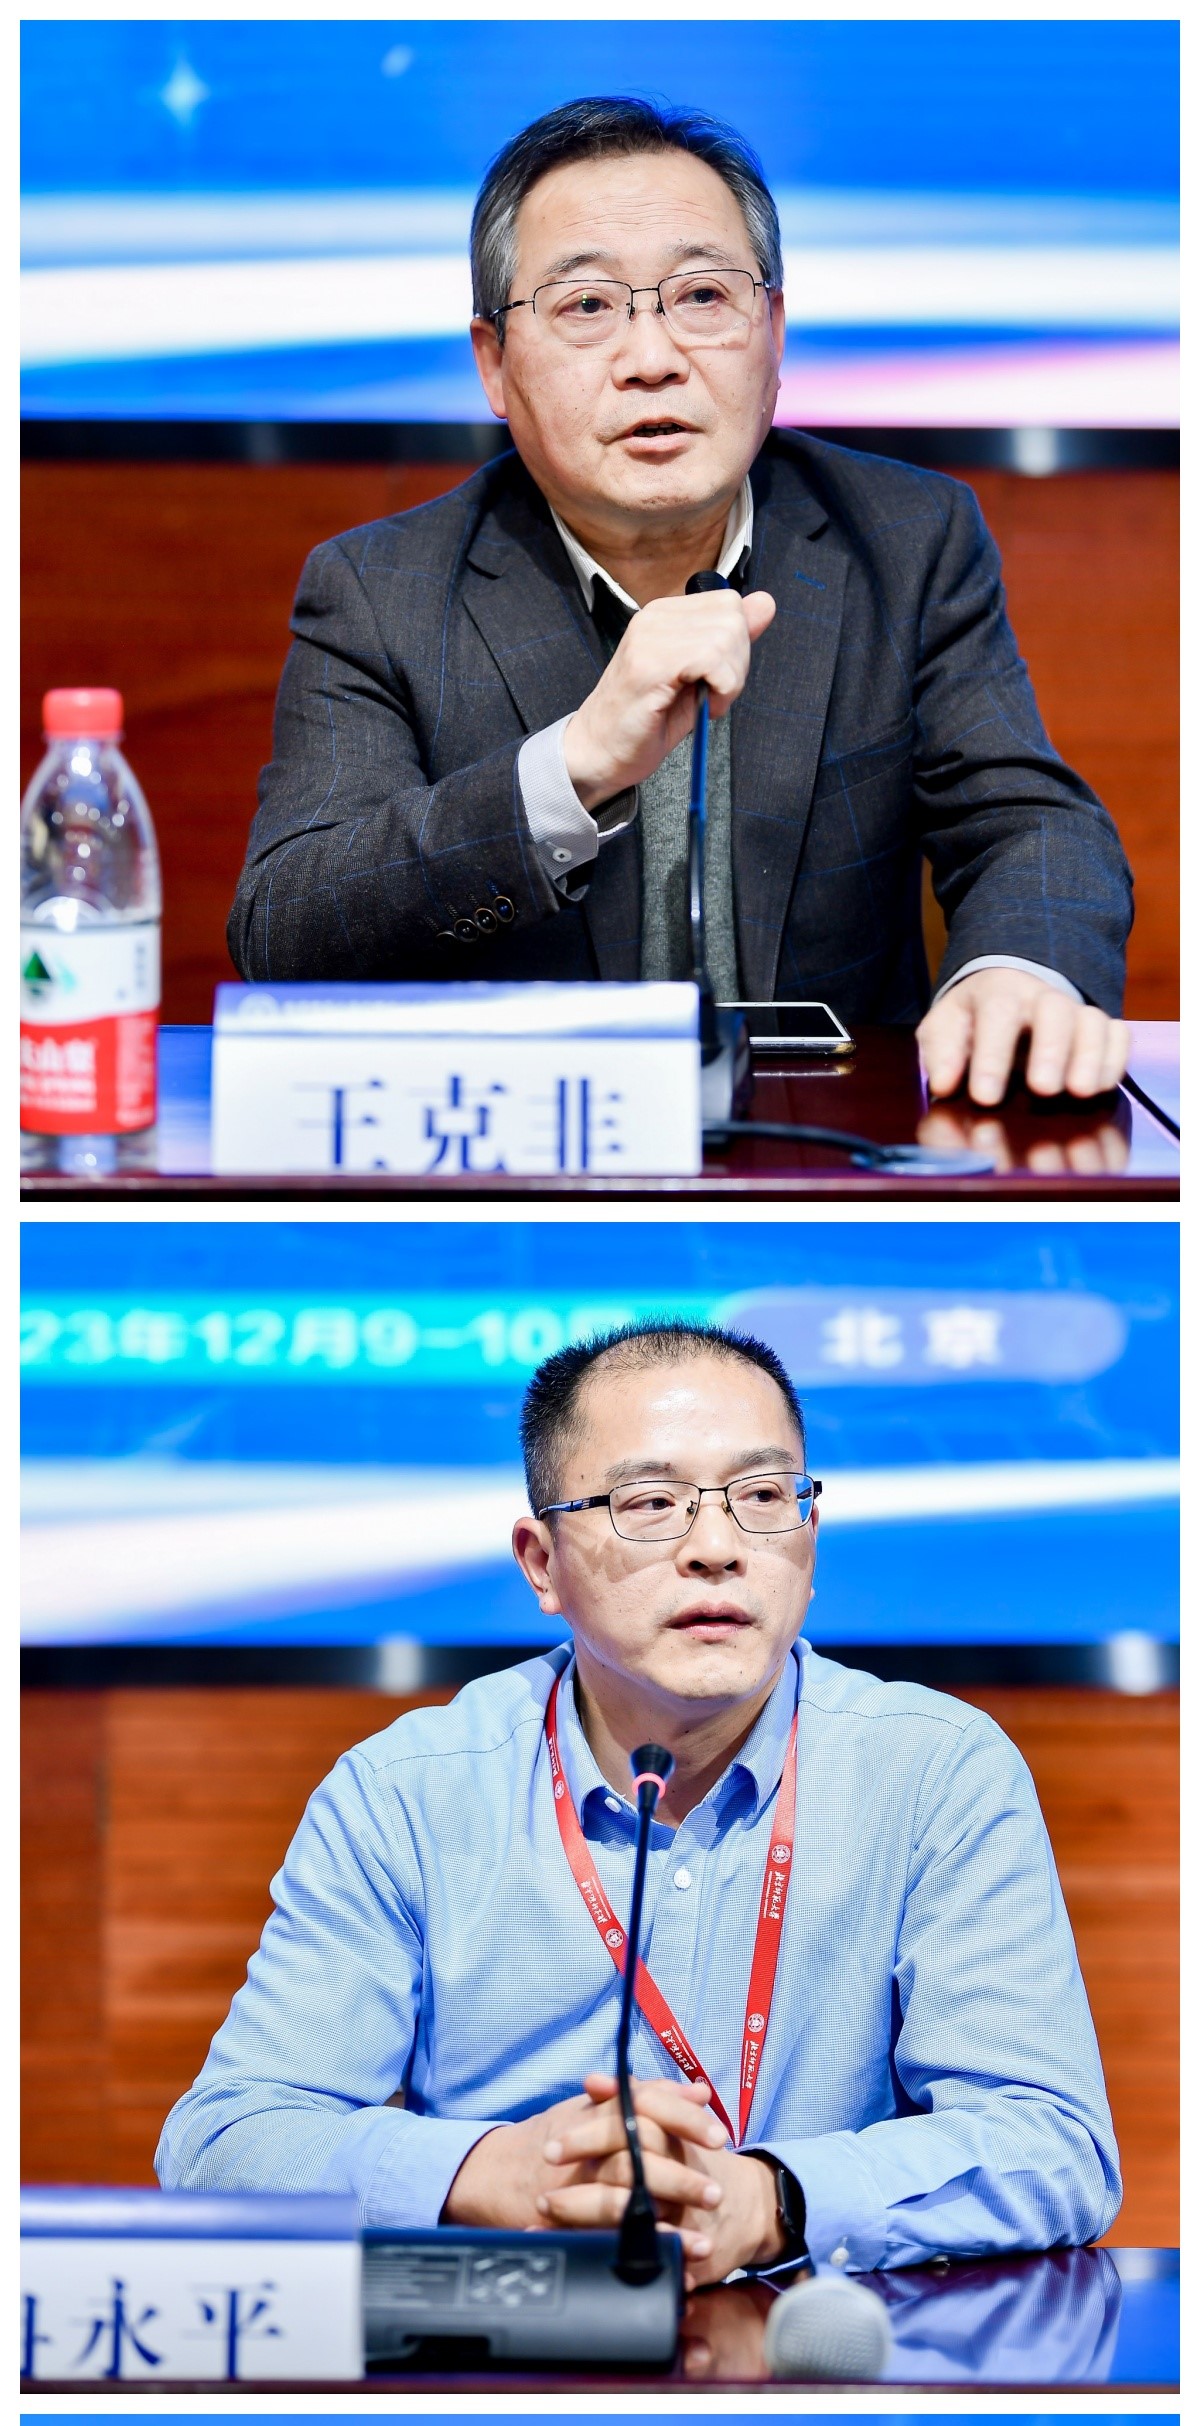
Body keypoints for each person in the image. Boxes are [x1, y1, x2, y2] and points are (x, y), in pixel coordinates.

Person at [225, 89, 1132, 1116]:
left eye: (702, 296)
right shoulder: (380, 590)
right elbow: (286, 926)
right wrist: (570, 769)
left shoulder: (905, 540)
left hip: (830, 1153)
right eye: (586, 307)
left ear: (773, 332)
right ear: (494, 364)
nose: (653, 360)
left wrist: (1016, 971)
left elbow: (1026, 823)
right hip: (531, 1161)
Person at [155, 1319, 1120, 2270]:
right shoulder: (407, 1794)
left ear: (810, 1541)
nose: (718, 1547)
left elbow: (1052, 2143)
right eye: (652, 1503)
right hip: (519, 2338)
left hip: (829, 2343)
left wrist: (772, 2199)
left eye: (763, 1495)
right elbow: (227, 2142)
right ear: (542, 1564)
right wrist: (498, 2173)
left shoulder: (935, 1771)